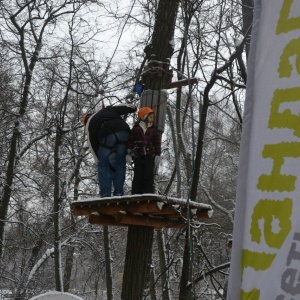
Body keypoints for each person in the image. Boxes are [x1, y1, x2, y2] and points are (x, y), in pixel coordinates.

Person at [82, 103, 137, 197]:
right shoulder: (107, 110)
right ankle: (119, 192)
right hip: (124, 131)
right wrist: (134, 109)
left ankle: (105, 194)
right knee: (120, 164)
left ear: (86, 122)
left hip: (107, 134)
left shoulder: (90, 124)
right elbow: (125, 107)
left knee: (102, 165)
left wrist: (100, 161)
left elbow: (93, 146)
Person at [127, 107, 161, 194]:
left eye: (153, 117)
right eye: (150, 117)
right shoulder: (136, 129)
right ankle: (136, 195)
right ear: (143, 117)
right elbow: (130, 141)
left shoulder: (153, 130)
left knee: (148, 176)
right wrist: (129, 153)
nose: (152, 119)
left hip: (149, 155)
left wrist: (158, 154)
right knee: (138, 175)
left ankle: (148, 195)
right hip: (138, 155)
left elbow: (157, 143)